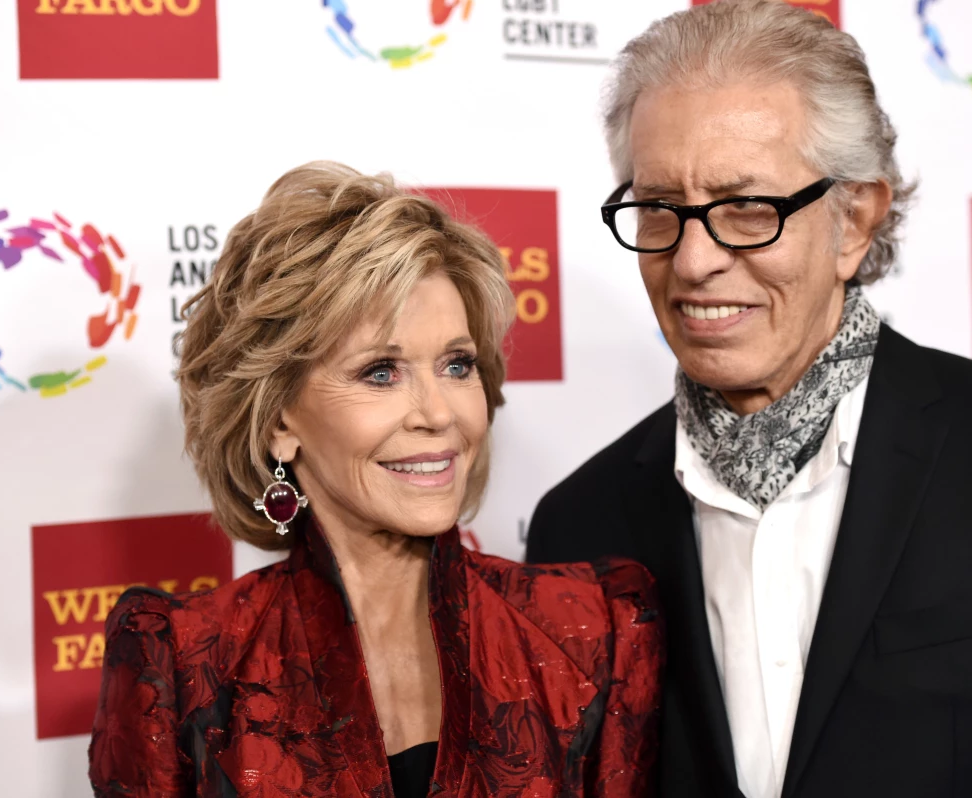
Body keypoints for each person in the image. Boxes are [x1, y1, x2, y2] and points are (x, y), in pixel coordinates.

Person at [525, 2, 972, 797]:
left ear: (853, 222)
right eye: (658, 209)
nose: (691, 261)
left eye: (746, 207)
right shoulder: (577, 525)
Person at [88, 162, 662, 798]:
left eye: (457, 365)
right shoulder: (182, 665)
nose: (438, 414)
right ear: (278, 420)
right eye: (381, 372)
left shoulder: (592, 630)